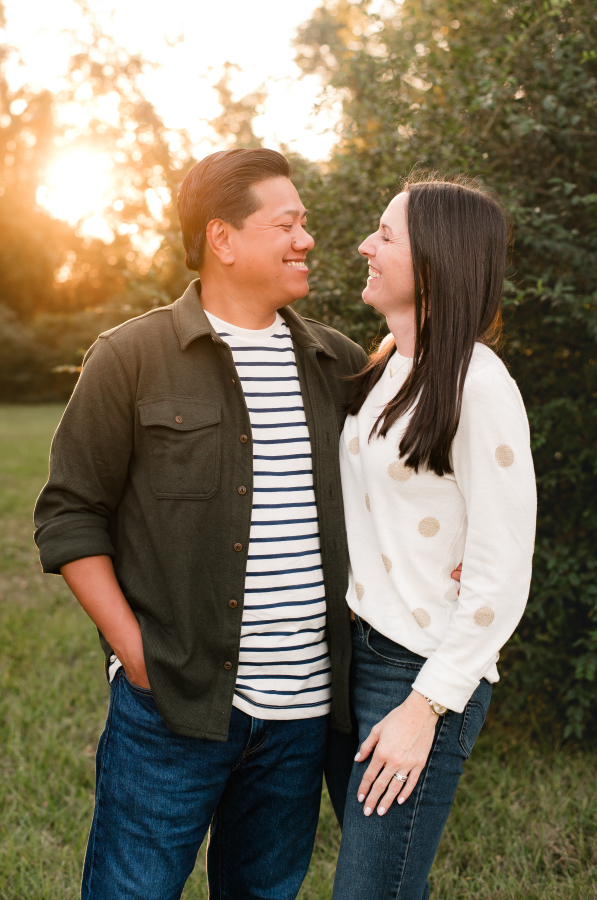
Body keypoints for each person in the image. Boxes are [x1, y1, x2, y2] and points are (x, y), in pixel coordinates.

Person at [33, 148, 368, 900]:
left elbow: (408, 477)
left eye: (303, 223)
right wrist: (137, 655)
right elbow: (69, 514)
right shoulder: (130, 357)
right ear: (222, 238)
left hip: (302, 719)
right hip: (171, 706)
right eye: (286, 223)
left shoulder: (335, 363)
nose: (306, 239)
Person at [327, 175, 537, 899]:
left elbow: (502, 570)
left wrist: (424, 707)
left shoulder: (478, 384)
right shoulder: (388, 363)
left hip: (417, 673)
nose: (365, 246)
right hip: (355, 652)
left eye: (384, 235)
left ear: (435, 262)